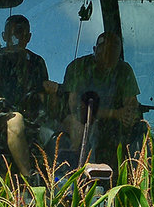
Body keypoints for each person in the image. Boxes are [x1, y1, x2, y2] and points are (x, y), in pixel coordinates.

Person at [0, 15, 55, 168]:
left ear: (29, 37)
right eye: (13, 33)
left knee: (54, 133)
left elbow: (43, 98)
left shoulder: (37, 63)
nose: (17, 38)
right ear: (4, 36)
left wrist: (53, 95)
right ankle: (28, 179)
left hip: (32, 121)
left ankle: (57, 179)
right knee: (16, 120)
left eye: (22, 33)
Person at [60, 31, 144, 165]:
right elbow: (76, 108)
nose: (108, 57)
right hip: (77, 120)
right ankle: (82, 177)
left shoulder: (124, 70)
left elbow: (131, 103)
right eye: (105, 52)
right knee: (90, 131)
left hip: (112, 128)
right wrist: (115, 114)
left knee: (142, 132)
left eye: (113, 53)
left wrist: (130, 115)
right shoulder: (78, 67)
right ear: (95, 50)